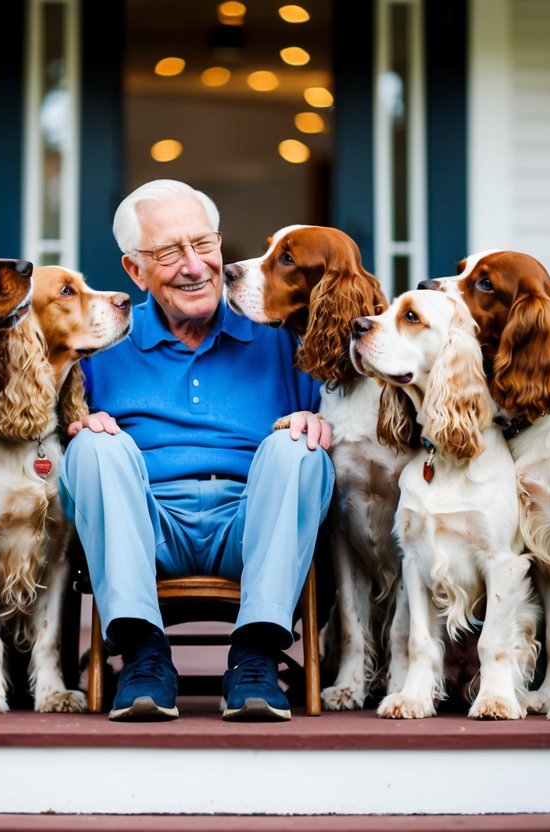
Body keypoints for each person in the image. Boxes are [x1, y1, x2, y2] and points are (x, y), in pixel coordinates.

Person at [61, 179, 334, 722]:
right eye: (168, 253)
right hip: (146, 524)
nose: (194, 265)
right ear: (135, 271)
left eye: (204, 244)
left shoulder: (279, 331)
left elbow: (367, 402)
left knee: (300, 447)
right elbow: (7, 403)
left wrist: (318, 420)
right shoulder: (102, 339)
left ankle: (256, 656)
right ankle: (143, 655)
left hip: (251, 522)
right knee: (91, 446)